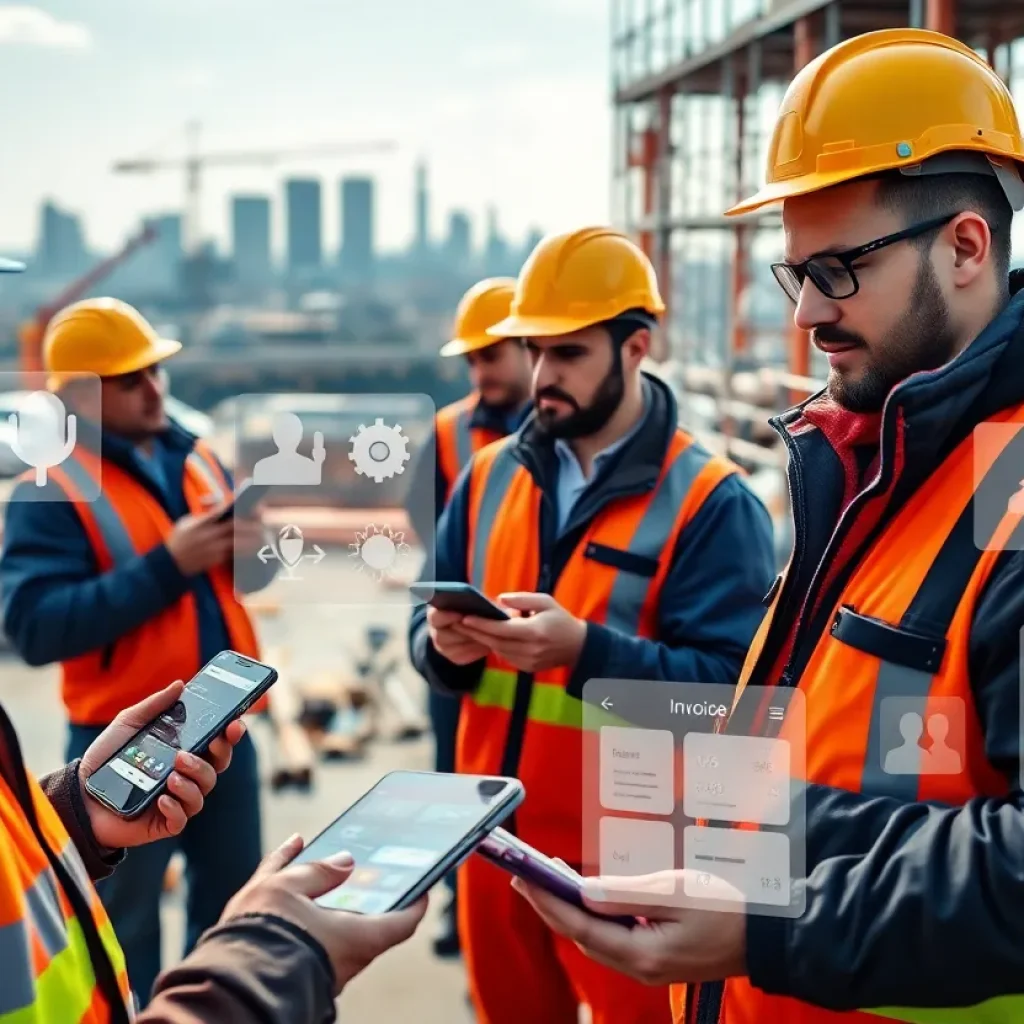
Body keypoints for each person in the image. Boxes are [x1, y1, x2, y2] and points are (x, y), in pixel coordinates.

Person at [514, 27, 1024, 1024]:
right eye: (796, 276)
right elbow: (842, 746)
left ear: (964, 246)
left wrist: (768, 920)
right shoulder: (874, 462)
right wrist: (718, 839)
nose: (804, 317)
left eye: (835, 272)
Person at [408, 227, 775, 1024]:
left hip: (632, 873)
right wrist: (443, 649)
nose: (544, 377)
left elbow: (733, 705)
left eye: (568, 354)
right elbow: (423, 628)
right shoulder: (488, 476)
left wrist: (585, 654)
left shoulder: (713, 502)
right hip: (491, 844)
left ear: (636, 346)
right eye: (536, 352)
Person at [0, 297, 277, 1005]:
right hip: (119, 744)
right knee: (125, 933)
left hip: (224, 731)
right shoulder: (49, 488)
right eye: (131, 380)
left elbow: (245, 582)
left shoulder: (195, 457)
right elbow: (35, 628)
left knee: (234, 915)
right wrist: (169, 562)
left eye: (154, 371)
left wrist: (259, 548)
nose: (155, 389)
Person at [406, 276, 533, 958]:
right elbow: (424, 535)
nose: (481, 371)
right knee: (456, 781)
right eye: (473, 360)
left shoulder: (564, 427)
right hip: (463, 645)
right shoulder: (447, 433)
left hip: (539, 645)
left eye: (494, 355)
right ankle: (463, 906)